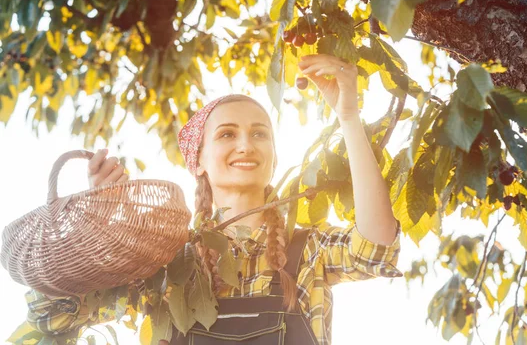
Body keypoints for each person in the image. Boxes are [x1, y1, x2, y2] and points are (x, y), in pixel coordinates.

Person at [23, 54, 403, 344]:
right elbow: (52, 314)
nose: (245, 145)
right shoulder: (165, 263)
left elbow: (376, 249)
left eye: (259, 134)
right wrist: (96, 223)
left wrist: (348, 117)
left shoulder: (307, 253)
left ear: (272, 155)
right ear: (198, 161)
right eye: (226, 134)